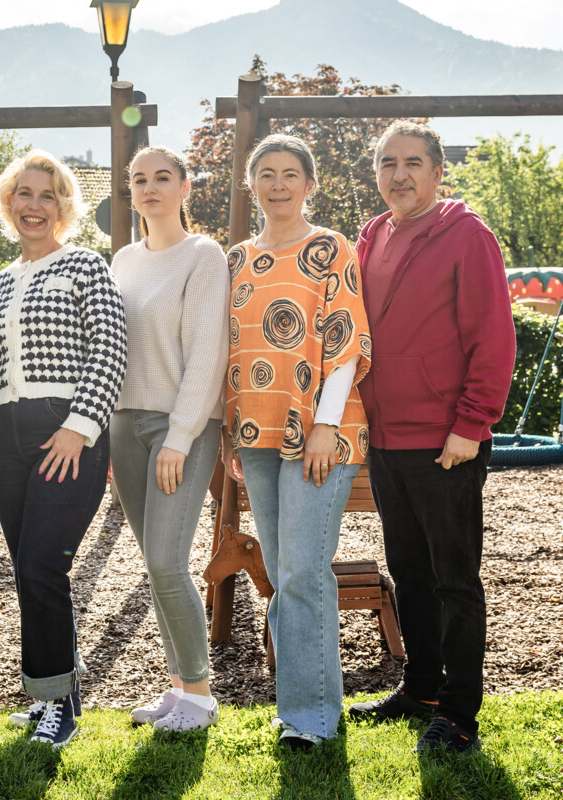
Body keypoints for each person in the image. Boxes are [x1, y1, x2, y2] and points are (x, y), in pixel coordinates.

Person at [347, 120, 516, 754]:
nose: (399, 174)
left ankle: (461, 715)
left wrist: (472, 426)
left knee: (454, 580)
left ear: (438, 171)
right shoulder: (373, 236)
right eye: (388, 164)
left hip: (447, 441)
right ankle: (420, 688)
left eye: (413, 162)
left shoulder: (467, 236)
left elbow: (493, 340)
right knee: (408, 572)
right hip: (387, 440)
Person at [222, 134, 371, 751]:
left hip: (318, 433)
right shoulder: (236, 258)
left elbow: (346, 340)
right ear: (250, 184)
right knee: (286, 574)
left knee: (304, 571)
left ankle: (311, 718)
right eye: (266, 173)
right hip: (254, 432)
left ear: (310, 185)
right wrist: (231, 433)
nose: (277, 184)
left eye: (290, 174)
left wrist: (324, 426)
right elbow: (231, 347)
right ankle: (300, 708)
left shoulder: (331, 248)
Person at [0, 150, 126, 749]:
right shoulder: (2, 278)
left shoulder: (86, 266)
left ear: (64, 207)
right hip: (5, 435)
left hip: (64, 430)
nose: (33, 205)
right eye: (23, 193)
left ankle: (60, 707)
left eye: (46, 195)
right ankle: (48, 692)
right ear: (8, 203)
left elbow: (112, 348)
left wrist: (79, 426)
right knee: (29, 569)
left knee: (45, 564)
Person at [109, 146, 229, 732]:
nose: (150, 187)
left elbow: (208, 355)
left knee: (166, 560)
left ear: (185, 188)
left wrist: (181, 437)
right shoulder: (123, 261)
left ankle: (202, 697)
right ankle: (178, 687)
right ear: (129, 191)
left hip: (180, 426)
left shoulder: (203, 256)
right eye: (139, 179)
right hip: (124, 426)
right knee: (154, 564)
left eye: (162, 177)